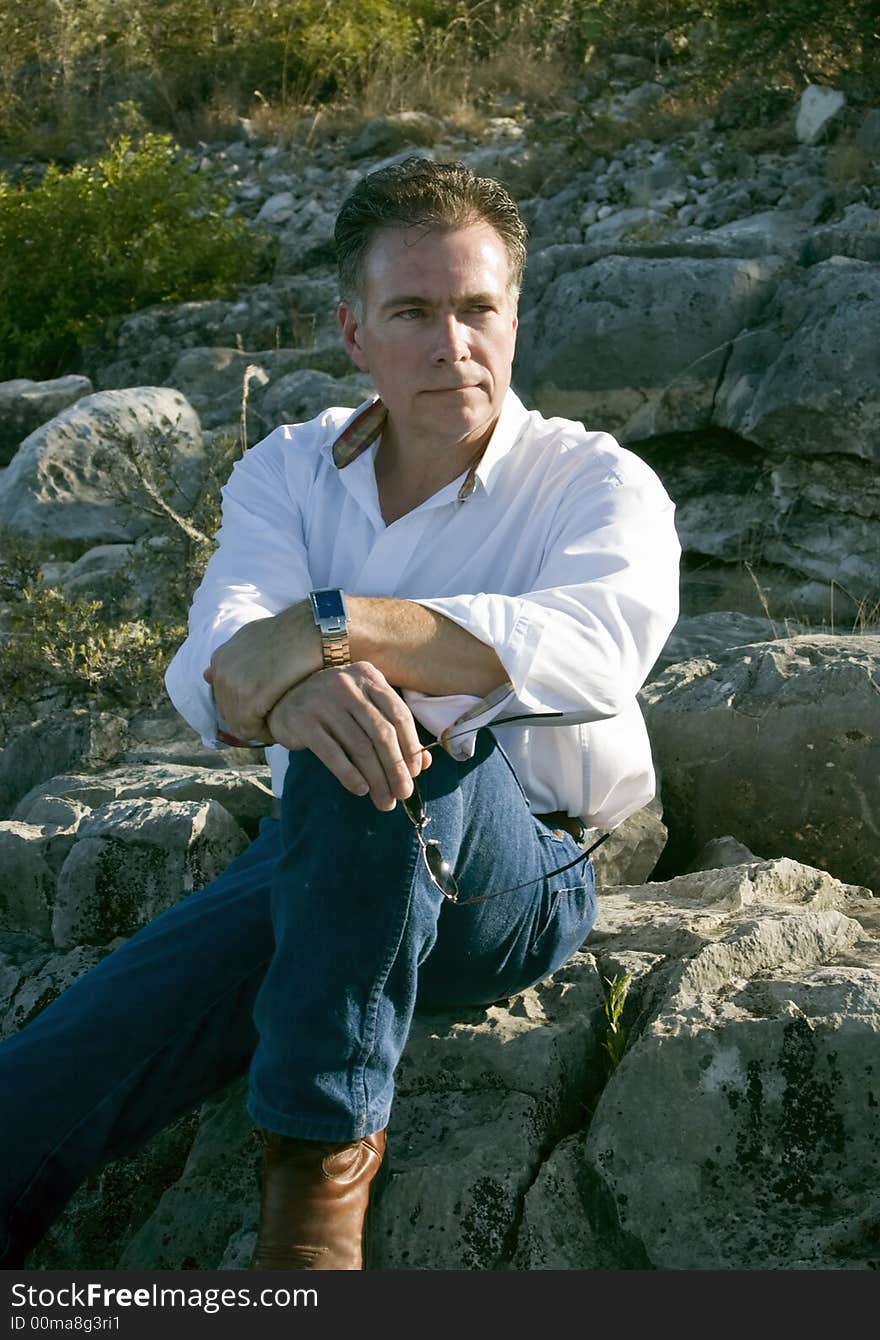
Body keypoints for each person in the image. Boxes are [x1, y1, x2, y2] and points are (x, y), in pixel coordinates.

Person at [0, 157, 680, 1272]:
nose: (452, 344)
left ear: (514, 318)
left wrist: (338, 626)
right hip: (320, 855)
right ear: (354, 331)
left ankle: (314, 1214)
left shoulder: (595, 483)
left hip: (514, 877)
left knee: (380, 720)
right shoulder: (290, 468)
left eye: (477, 310)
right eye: (413, 311)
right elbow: (219, 658)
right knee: (53, 1071)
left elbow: (598, 648)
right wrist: (302, 676)